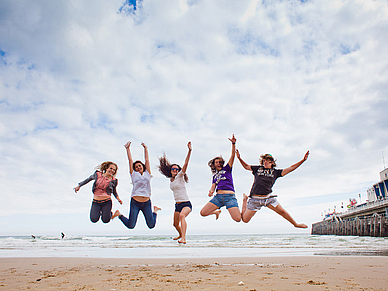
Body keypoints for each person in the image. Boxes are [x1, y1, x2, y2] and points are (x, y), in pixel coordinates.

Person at [236, 150, 309, 228]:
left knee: (282, 211)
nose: (265, 162)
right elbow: (246, 167)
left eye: (267, 161)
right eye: (264, 161)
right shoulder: (258, 169)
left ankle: (296, 224)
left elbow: (290, 168)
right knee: (245, 220)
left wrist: (303, 160)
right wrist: (239, 158)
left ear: (272, 163)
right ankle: (245, 200)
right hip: (255, 199)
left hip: (268, 198)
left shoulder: (276, 172)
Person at [112, 142, 161, 229]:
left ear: (142, 166)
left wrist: (145, 148)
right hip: (135, 203)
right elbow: (130, 161)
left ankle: (155, 211)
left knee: (151, 225)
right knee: (131, 225)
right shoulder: (133, 174)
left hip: (146, 203)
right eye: (136, 167)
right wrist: (127, 149)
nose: (138, 167)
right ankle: (119, 214)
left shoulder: (147, 173)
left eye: (139, 166)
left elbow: (147, 160)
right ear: (134, 169)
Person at [200, 134, 241, 222]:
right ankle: (216, 212)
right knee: (203, 213)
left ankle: (245, 201)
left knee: (237, 219)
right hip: (218, 197)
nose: (218, 164)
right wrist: (211, 191)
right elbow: (213, 186)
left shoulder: (227, 169)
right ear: (214, 165)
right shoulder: (215, 176)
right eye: (216, 162)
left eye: (220, 162)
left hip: (229, 197)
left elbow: (232, 156)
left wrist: (233, 144)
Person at [158, 141, 193, 244]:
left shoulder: (180, 176)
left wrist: (189, 151)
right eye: (173, 168)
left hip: (186, 203)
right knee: (175, 224)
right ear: (170, 170)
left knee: (182, 216)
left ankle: (184, 238)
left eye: (176, 169)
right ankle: (180, 235)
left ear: (178, 170)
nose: (174, 170)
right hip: (177, 204)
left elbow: (186, 164)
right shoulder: (171, 180)